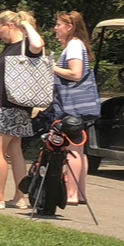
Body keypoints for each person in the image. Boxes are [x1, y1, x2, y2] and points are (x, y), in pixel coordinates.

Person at [0, 10, 45, 210]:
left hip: (9, 106)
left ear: (9, 25)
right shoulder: (10, 48)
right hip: (10, 105)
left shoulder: (25, 46)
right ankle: (19, 197)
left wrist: (25, 24)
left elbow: (38, 45)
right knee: (14, 150)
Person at [52, 11, 101, 204]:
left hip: (72, 106)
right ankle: (80, 193)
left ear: (70, 27)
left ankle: (72, 193)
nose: (55, 28)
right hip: (80, 106)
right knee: (79, 150)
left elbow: (75, 74)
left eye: (59, 24)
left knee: (72, 149)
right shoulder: (77, 45)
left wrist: (51, 67)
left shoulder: (73, 45)